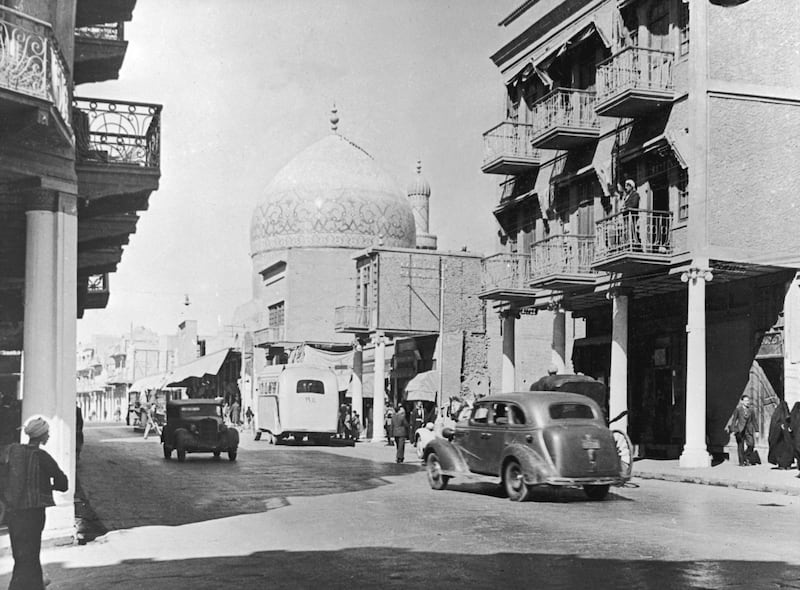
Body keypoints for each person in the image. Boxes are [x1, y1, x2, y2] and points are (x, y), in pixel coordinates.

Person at [5, 416, 68, 590]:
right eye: (46, 433)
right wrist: (49, 485)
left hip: (14, 512)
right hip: (33, 513)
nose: (48, 436)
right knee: (31, 553)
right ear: (40, 435)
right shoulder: (42, 456)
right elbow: (63, 483)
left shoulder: (13, 451)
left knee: (20, 554)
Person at [726, 395, 756, 466]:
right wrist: (733, 429)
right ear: (742, 401)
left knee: (751, 444)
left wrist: (757, 430)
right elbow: (734, 420)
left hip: (748, 430)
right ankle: (741, 462)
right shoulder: (738, 410)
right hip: (740, 429)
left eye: (748, 400)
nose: (747, 402)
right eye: (745, 401)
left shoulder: (751, 410)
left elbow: (754, 420)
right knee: (740, 446)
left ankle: (745, 456)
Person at [768, 400, 794, 469]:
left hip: (784, 437)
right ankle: (783, 465)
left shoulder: (782, 414)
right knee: (782, 450)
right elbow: (774, 425)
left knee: (785, 450)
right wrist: (780, 427)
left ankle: (786, 465)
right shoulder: (778, 415)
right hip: (780, 438)